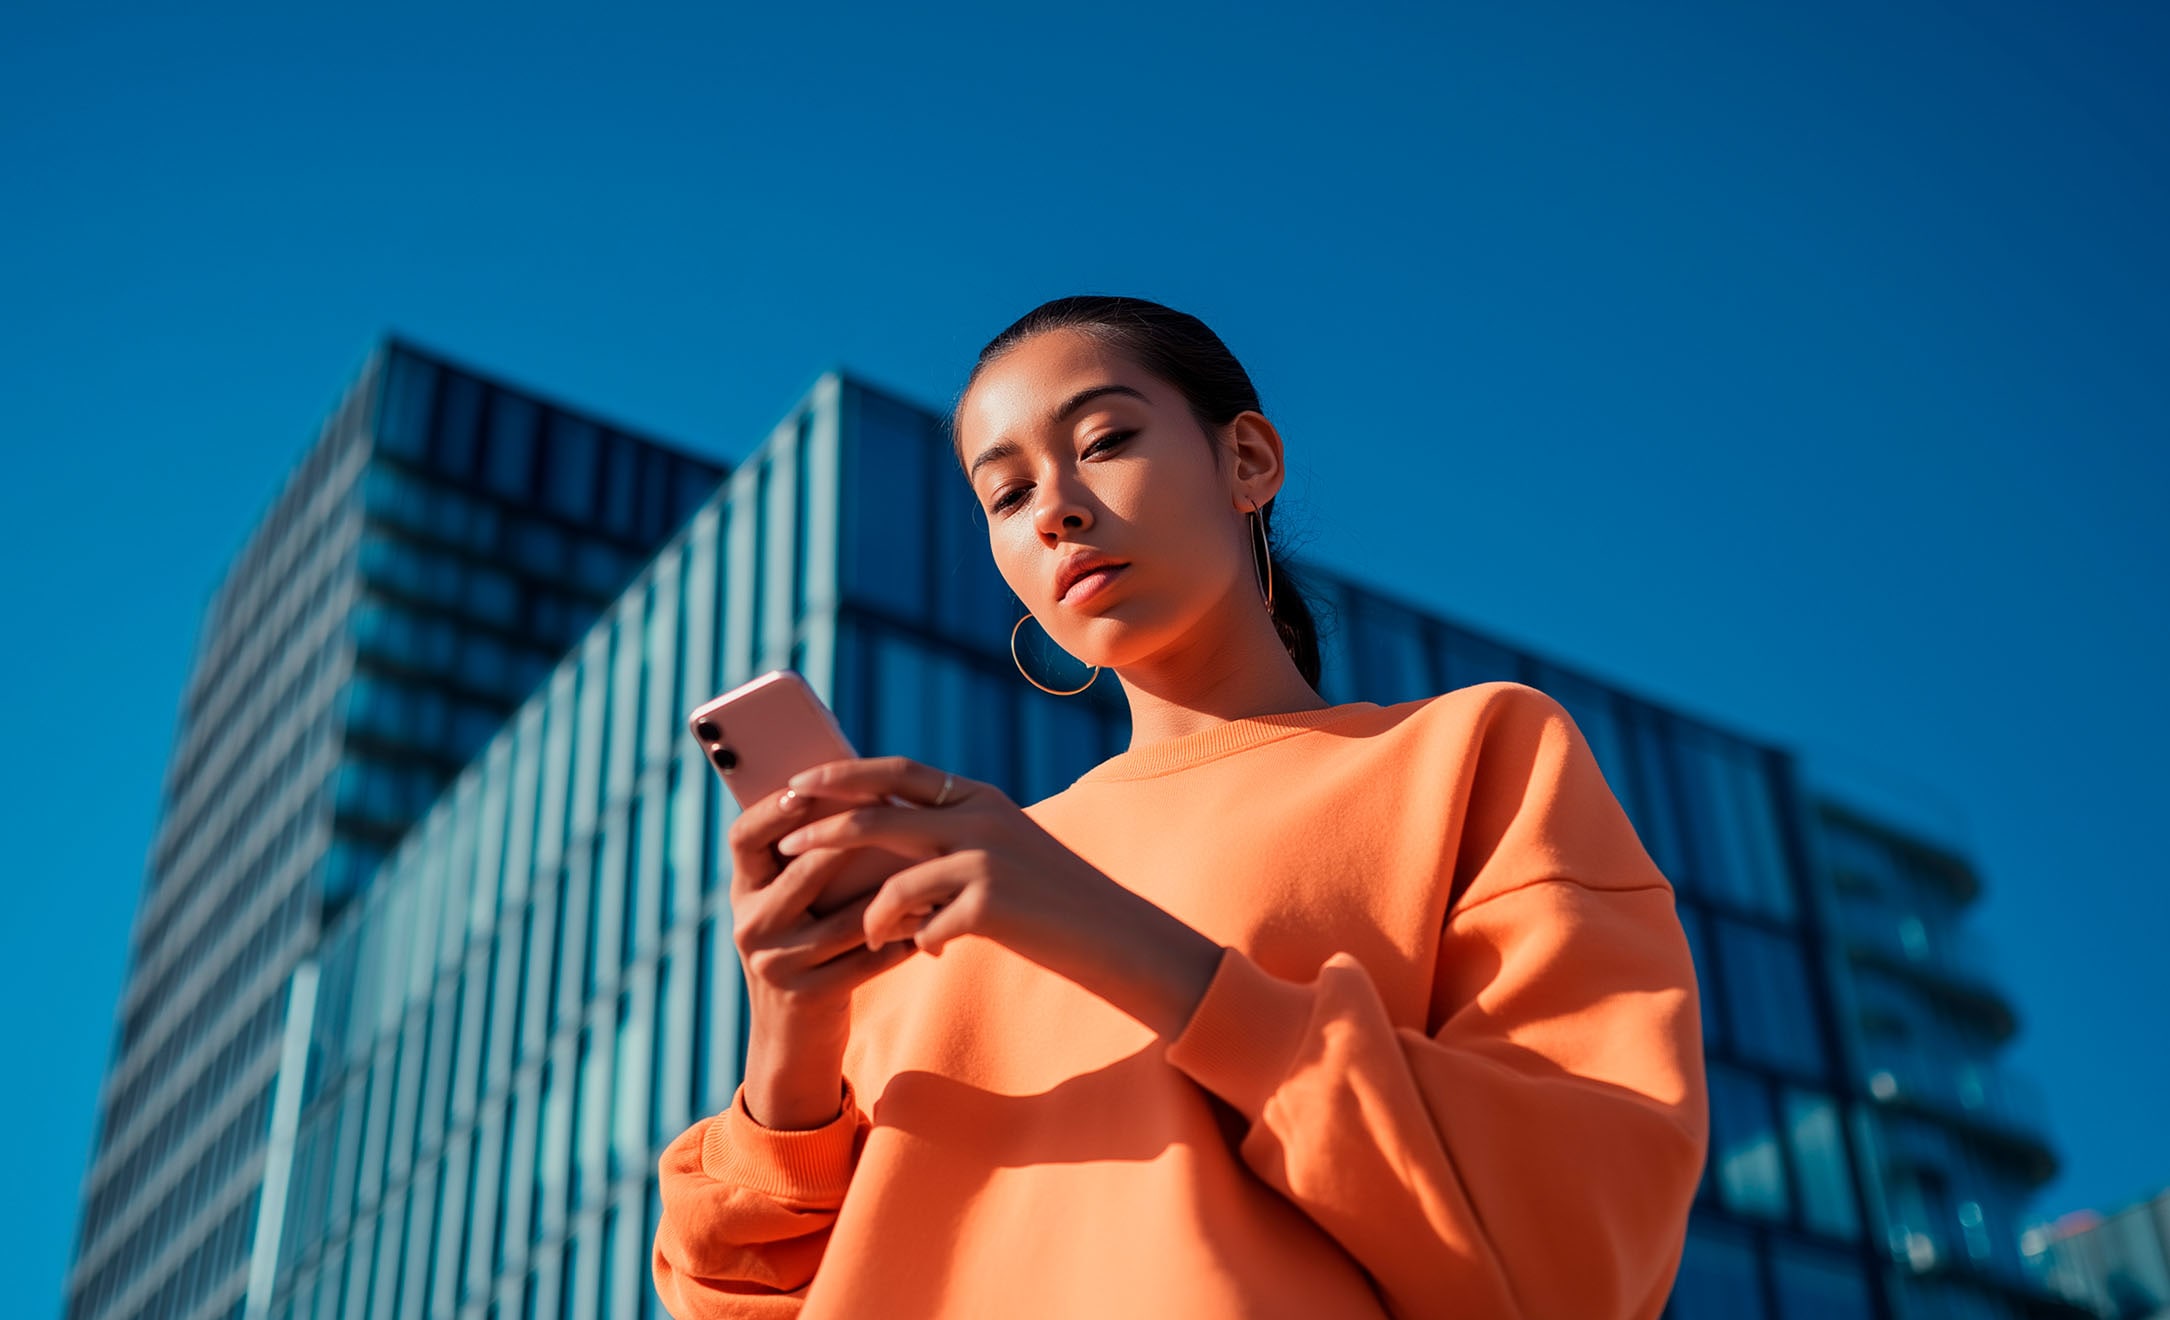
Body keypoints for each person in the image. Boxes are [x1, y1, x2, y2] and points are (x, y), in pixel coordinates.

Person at [651, 295, 1708, 1318]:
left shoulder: (1467, 755)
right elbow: (742, 1297)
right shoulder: (940, 887)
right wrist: (790, 1043)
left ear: (1246, 460)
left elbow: (1581, 1235)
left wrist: (1113, 937)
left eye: (1104, 439)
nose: (1056, 508)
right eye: (1006, 496)